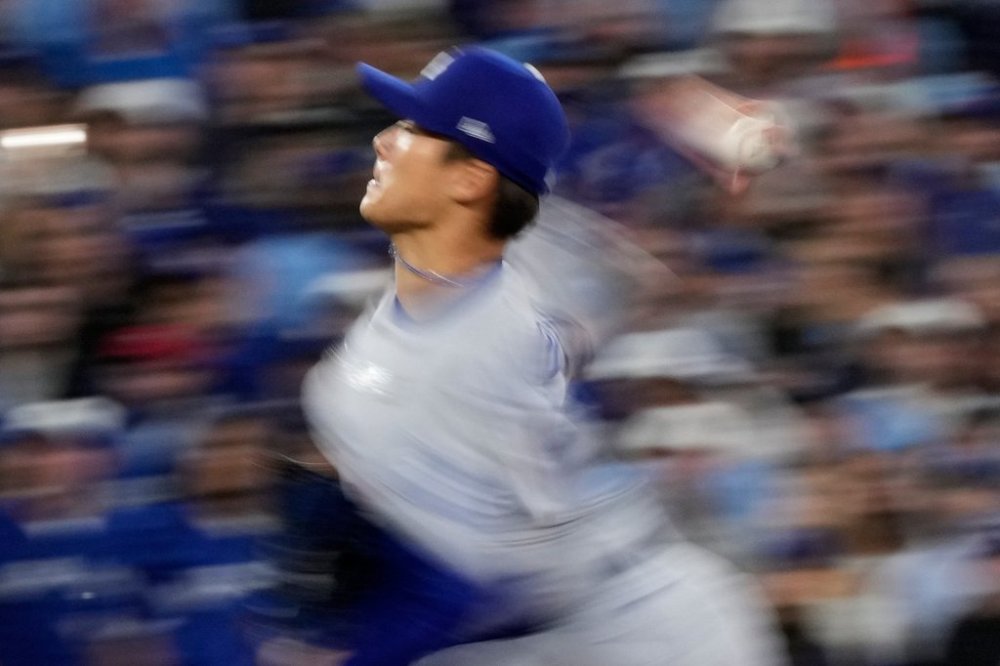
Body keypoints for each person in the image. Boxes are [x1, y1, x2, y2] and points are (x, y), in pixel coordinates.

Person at [301, 45, 786, 665]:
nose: (385, 140)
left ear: (470, 179)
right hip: (573, 619)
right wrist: (695, 134)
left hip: (640, 628)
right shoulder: (532, 257)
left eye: (415, 129)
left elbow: (469, 588)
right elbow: (618, 238)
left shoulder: (434, 369)